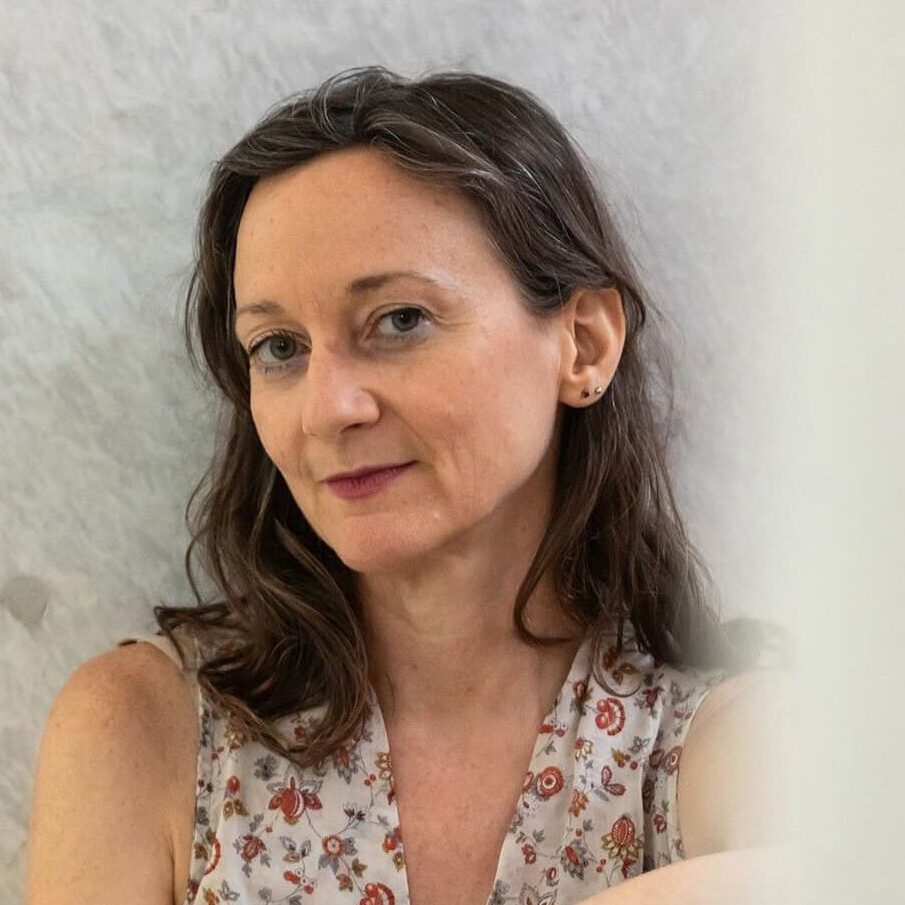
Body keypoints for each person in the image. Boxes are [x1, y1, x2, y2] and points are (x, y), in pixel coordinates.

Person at [26, 66, 790, 905]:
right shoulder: (144, 731)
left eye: (399, 320)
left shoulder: (732, 748)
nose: (327, 409)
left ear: (584, 344)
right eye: (279, 347)